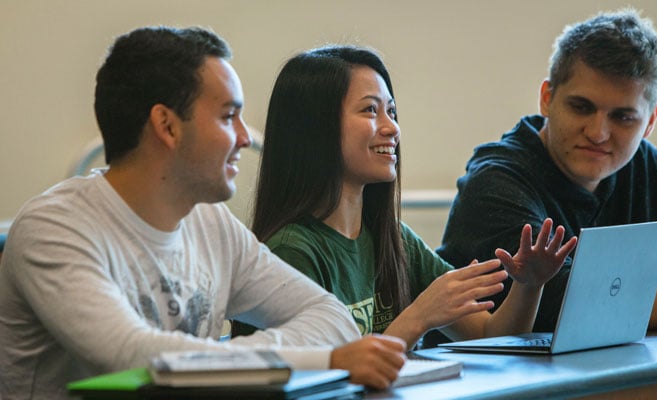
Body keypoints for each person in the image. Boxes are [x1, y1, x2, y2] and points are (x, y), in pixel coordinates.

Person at [0, 27, 408, 399]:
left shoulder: (212, 224)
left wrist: (231, 358)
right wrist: (321, 359)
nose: (246, 138)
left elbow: (331, 319)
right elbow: (134, 356)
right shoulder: (53, 229)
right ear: (168, 126)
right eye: (229, 116)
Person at [239, 45, 577, 351]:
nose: (392, 128)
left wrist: (530, 286)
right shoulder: (290, 252)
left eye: (392, 112)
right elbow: (325, 381)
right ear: (316, 128)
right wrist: (418, 317)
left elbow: (490, 336)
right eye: (371, 111)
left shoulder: (394, 239)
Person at [437, 8, 657, 335]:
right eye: (581, 107)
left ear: (650, 121)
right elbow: (570, 301)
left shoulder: (645, 167)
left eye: (623, 117)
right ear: (546, 98)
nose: (598, 133)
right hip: (486, 382)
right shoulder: (496, 181)